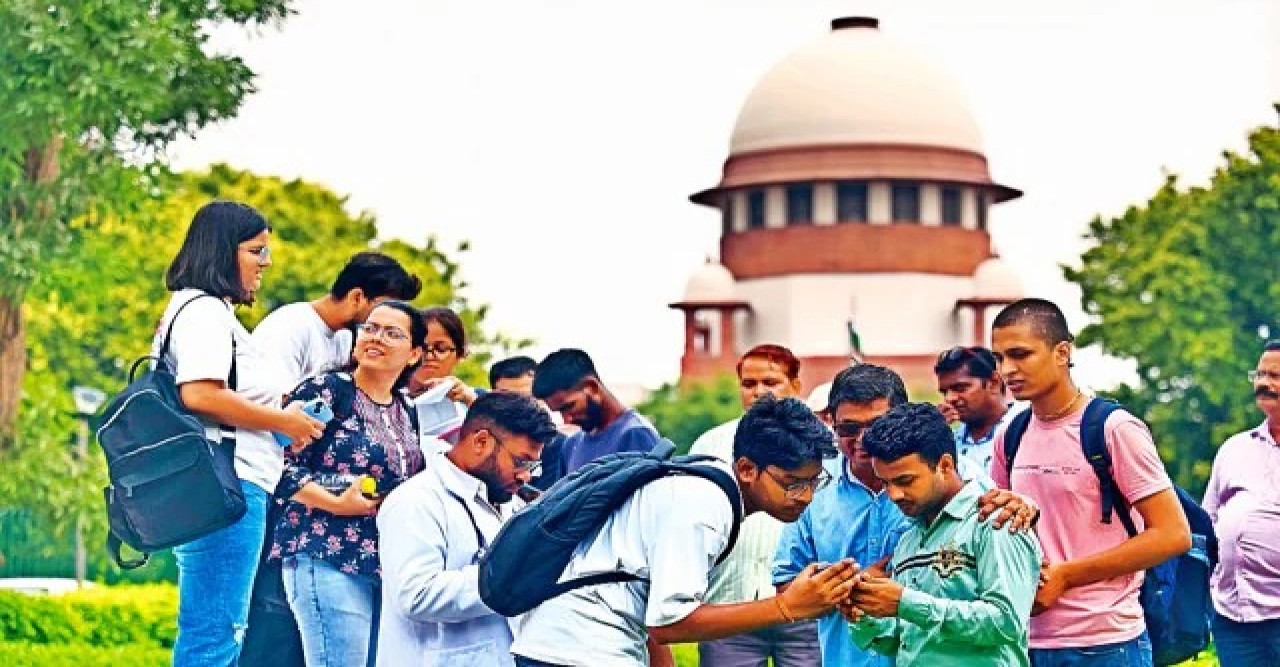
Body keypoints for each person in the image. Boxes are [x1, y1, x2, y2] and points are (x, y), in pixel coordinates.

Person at [510, 396, 858, 667]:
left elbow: (649, 605)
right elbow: (670, 623)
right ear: (748, 469)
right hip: (579, 649)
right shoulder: (704, 505)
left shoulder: (705, 485)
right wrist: (786, 606)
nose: (808, 496)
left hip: (575, 643)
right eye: (793, 483)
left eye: (816, 481)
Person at [774, 363, 1033, 667]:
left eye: (905, 481)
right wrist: (855, 602)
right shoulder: (820, 491)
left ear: (945, 467)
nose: (862, 439)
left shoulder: (986, 505)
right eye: (848, 429)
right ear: (831, 423)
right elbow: (789, 585)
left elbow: (1010, 612)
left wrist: (1029, 509)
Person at [157, 200, 325, 666]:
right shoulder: (204, 311)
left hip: (227, 484)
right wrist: (282, 421)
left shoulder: (210, 313)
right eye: (256, 250)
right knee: (217, 632)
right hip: (226, 488)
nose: (265, 263)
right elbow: (201, 394)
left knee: (219, 628)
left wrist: (282, 419)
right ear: (222, 251)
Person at [242, 251, 421, 666]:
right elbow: (277, 459)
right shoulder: (326, 390)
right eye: (371, 328)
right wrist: (334, 500)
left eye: (392, 333)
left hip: (379, 564)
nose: (375, 337)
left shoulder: (405, 409)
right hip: (324, 551)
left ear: (414, 354)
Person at [989, 298, 1191, 666]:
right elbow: (995, 530)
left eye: (1020, 354)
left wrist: (1067, 576)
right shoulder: (1010, 435)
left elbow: (1173, 533)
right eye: (999, 358)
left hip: (1107, 641)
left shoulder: (1114, 429)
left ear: (1062, 352)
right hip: (1025, 638)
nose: (1007, 370)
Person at [844, 402, 1042, 666]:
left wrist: (906, 603)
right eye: (885, 483)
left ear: (945, 465)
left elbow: (1005, 623)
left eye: (904, 481)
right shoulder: (909, 539)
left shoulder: (996, 520)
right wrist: (863, 617)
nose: (893, 495)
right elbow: (907, 642)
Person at [376, 392, 560, 666]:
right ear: (481, 441)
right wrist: (508, 578)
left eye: (533, 465)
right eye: (521, 462)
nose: (526, 476)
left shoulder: (511, 503)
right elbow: (415, 595)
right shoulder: (416, 501)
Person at [688, 344, 822, 666]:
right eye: (749, 384)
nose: (758, 392)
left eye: (770, 382)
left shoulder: (820, 446)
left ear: (796, 386)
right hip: (730, 603)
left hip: (803, 604)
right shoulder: (712, 444)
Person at [1201, 339, 1280, 666]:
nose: (1263, 383)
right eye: (1260, 374)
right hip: (1234, 619)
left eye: (1275, 376)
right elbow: (1207, 522)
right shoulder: (1234, 448)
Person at [531, 348, 661, 486]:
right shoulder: (571, 444)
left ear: (592, 387)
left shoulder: (635, 435)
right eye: (559, 412)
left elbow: (644, 502)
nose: (566, 419)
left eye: (568, 407)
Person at [934, 345, 1015, 472]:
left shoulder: (1023, 430)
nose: (949, 398)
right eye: (944, 392)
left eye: (960, 388)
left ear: (994, 383)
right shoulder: (949, 443)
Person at [409, 306, 479, 446]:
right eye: (422, 348)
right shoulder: (388, 398)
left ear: (459, 354)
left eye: (440, 349)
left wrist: (473, 402)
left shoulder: (471, 402)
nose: (428, 356)